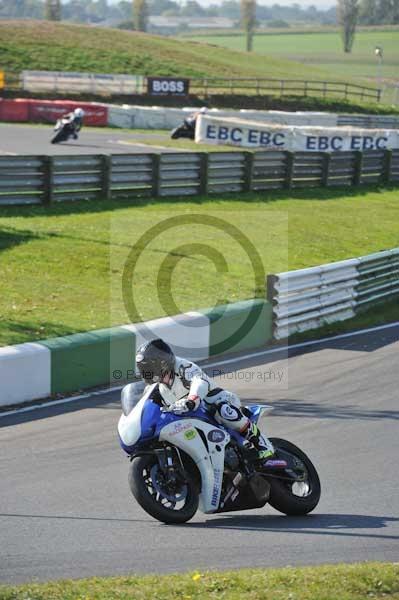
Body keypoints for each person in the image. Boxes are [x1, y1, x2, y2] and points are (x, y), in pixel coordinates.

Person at [135, 338, 274, 461]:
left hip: (213, 404)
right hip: (189, 420)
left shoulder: (182, 367)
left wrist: (192, 400)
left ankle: (262, 444)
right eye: (143, 368)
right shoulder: (155, 388)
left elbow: (199, 382)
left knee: (224, 410)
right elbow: (145, 406)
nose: (146, 372)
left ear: (161, 362)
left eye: (148, 367)